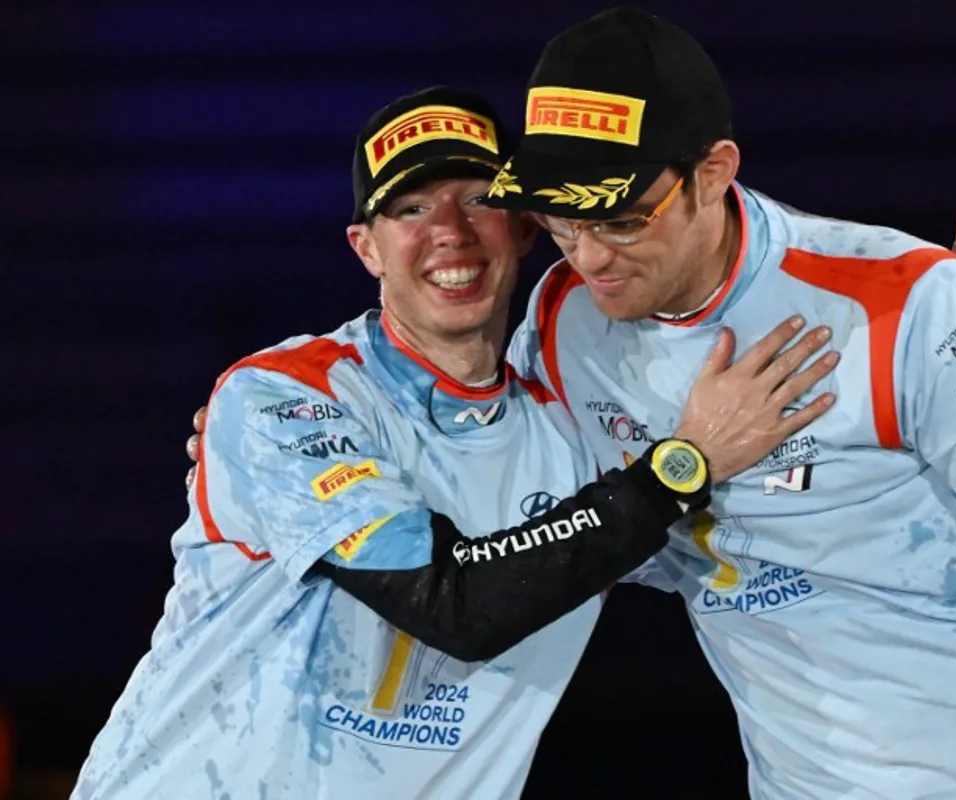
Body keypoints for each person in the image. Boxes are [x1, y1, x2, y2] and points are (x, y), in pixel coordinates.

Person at [483, 8, 956, 799]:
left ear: (714, 173)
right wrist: (684, 466)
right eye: (557, 219)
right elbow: (552, 566)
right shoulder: (559, 326)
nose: (588, 256)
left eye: (619, 218)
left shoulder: (912, 305)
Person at [71, 87, 840, 799]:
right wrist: (679, 468)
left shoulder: (574, 439)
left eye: (479, 199)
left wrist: (931, 338)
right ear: (365, 248)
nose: (449, 231)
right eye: (408, 208)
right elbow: (451, 605)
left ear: (528, 226)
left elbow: (777, 515)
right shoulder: (286, 396)